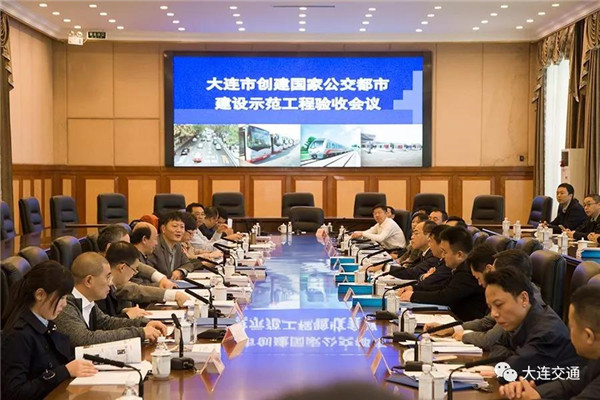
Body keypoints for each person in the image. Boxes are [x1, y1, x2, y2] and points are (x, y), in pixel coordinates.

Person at [1, 261, 98, 400]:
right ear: (40, 294)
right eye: (62, 297)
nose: (65, 304)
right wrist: (64, 371)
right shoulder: (19, 335)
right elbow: (15, 392)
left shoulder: (46, 322)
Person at [425, 247, 539, 350]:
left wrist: (465, 336)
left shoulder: (523, 302)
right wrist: (452, 328)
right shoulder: (513, 296)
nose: (490, 276)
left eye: (493, 272)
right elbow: (487, 322)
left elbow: (490, 340)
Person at [500, 285, 600, 399]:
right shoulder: (595, 360)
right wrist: (535, 392)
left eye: (571, 327)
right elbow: (571, 384)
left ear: (588, 336)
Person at [485, 267, 581, 385]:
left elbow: (508, 373)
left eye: (499, 305)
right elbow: (496, 343)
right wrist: (512, 358)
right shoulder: (522, 320)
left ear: (524, 299)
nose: (494, 314)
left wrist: (512, 359)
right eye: (490, 307)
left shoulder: (547, 333)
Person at [54, 252, 167, 347]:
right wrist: (140, 332)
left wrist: (144, 323)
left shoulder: (87, 301)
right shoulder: (65, 305)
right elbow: (85, 339)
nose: (111, 283)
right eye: (107, 277)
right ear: (89, 281)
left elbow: (107, 323)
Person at [398, 226, 487, 322]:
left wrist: (413, 296)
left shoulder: (467, 272)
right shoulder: (460, 267)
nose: (442, 256)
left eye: (445, 252)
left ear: (459, 255)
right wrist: (414, 289)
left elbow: (445, 297)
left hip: (463, 322)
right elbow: (442, 287)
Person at [97, 241, 189, 318]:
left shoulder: (113, 275)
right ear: (122, 267)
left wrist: (123, 312)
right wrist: (126, 316)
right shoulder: (102, 287)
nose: (134, 273)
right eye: (134, 270)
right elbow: (102, 325)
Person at [99, 224, 176, 290]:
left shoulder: (120, 261)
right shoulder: (100, 271)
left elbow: (138, 265)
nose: (129, 247)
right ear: (109, 247)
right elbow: (132, 290)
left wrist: (160, 278)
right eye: (124, 244)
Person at [388, 220, 451, 286]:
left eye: (416, 233)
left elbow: (413, 273)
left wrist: (386, 267)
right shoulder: (423, 252)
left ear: (428, 236)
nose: (412, 237)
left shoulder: (435, 256)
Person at [147, 211, 197, 280]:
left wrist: (180, 271)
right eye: (175, 226)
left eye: (182, 227)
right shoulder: (154, 245)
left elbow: (188, 264)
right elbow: (148, 272)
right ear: (163, 228)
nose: (179, 230)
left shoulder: (178, 245)